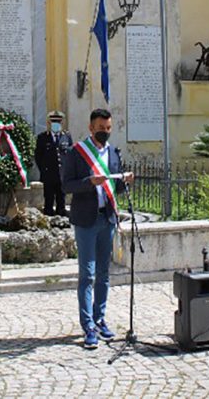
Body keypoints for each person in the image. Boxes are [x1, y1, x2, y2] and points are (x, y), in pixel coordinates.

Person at [62, 108, 134, 350]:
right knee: (88, 274)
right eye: (101, 128)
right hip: (86, 220)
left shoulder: (113, 153)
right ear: (91, 127)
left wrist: (125, 181)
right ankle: (88, 326)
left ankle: (100, 318)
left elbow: (116, 187)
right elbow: (66, 185)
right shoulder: (77, 153)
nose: (105, 132)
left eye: (108, 128)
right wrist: (88, 183)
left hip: (107, 219)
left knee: (104, 273)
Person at [34, 110, 73, 216]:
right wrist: (44, 170)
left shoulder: (66, 136)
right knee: (49, 201)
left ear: (62, 123)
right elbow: (38, 156)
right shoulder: (42, 137)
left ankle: (61, 224)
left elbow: (70, 154)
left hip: (62, 175)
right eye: (54, 122)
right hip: (49, 175)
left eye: (58, 122)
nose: (56, 124)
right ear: (49, 123)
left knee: (61, 201)